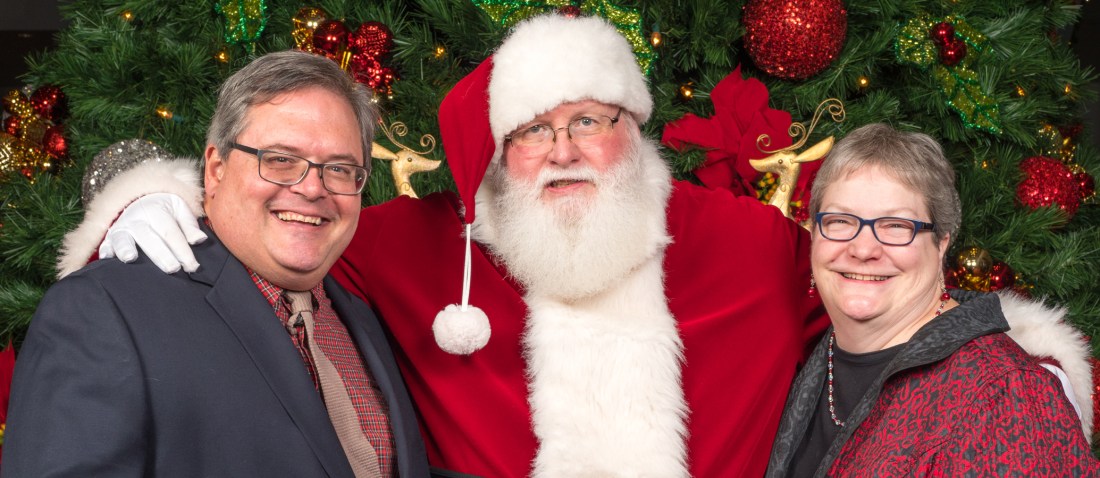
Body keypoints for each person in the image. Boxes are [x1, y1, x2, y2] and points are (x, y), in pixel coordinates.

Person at [55, 15, 1093, 478]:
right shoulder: (421, 248)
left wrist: (1019, 355)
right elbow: (280, 223)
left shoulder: (740, 239)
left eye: (591, 119)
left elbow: (878, 280)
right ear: (495, 157)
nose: (564, 150)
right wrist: (146, 195)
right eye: (533, 130)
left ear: (634, 131)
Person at [4, 50, 431, 477]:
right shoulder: (103, 308)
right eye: (280, 160)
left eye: (339, 169)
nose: (312, 188)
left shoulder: (362, 318)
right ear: (216, 169)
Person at [765, 123, 1099, 477]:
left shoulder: (1004, 392)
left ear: (941, 244)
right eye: (840, 220)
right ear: (814, 233)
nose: (862, 249)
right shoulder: (814, 360)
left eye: (896, 226)